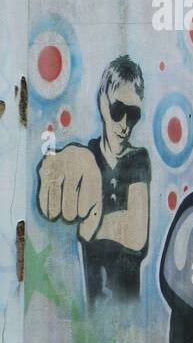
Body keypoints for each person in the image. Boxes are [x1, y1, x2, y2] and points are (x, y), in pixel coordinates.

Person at [37, 55, 151, 306]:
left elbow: (136, 233)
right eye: (118, 110)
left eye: (133, 115)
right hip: (92, 307)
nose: (124, 125)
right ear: (102, 103)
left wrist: (91, 220)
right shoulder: (87, 156)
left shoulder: (138, 159)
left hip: (127, 309)